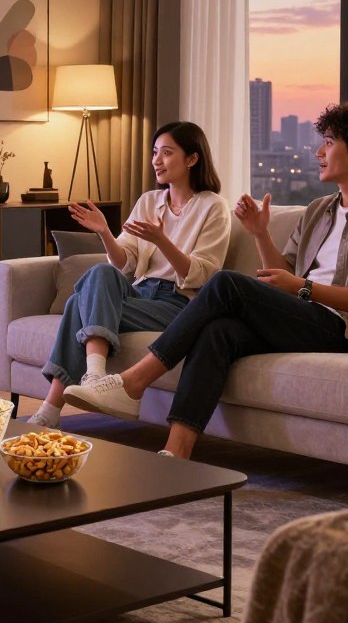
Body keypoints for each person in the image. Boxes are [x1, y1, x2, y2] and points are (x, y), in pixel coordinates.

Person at [64, 103, 348, 459]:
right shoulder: (319, 210)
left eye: (328, 142)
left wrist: (303, 288)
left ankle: (134, 382)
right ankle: (176, 454)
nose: (319, 152)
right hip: (300, 315)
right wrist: (261, 234)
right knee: (218, 331)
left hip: (342, 331)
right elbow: (282, 273)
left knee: (224, 284)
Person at [27, 121, 230, 429]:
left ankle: (50, 409)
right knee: (101, 273)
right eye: (154, 153)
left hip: (178, 304)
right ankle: (95, 374)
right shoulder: (149, 201)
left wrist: (162, 239)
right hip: (140, 293)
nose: (156, 161)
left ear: (192, 159)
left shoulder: (213, 207)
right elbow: (125, 263)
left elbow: (202, 276)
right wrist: (105, 232)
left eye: (166, 153)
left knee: (76, 304)